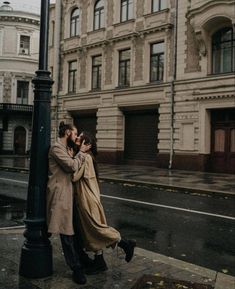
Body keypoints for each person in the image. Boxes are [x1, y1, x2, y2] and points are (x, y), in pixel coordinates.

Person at [72, 131, 136, 274]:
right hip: (87, 199)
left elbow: (74, 176)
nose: (77, 138)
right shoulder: (86, 157)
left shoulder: (85, 157)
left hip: (87, 200)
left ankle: (125, 243)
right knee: (90, 232)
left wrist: (80, 153)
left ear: (87, 145)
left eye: (80, 138)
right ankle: (99, 262)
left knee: (97, 229)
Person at [46, 121, 91, 285]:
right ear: (67, 132)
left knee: (76, 230)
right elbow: (72, 166)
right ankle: (76, 268)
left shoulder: (69, 148)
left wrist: (78, 149)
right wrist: (81, 152)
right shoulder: (56, 148)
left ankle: (83, 260)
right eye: (75, 133)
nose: (77, 136)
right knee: (66, 234)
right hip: (60, 195)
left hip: (70, 195)